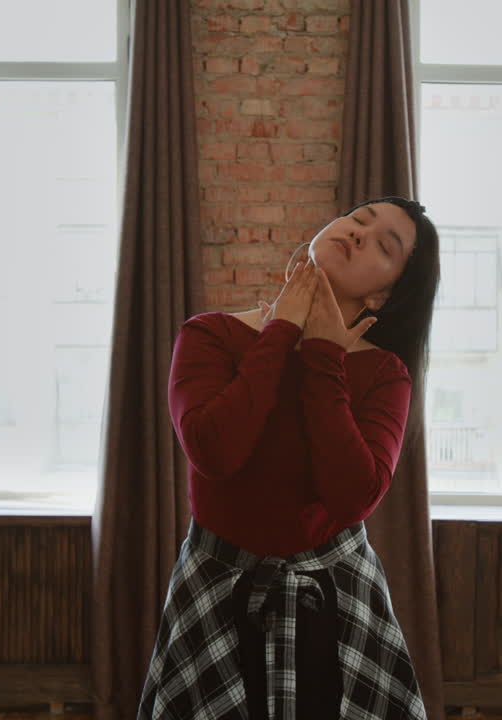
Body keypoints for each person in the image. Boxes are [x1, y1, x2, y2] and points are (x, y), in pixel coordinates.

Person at [136, 196, 441, 720]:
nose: (359, 233)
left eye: (384, 245)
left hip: (335, 598)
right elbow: (215, 451)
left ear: (383, 294)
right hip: (215, 588)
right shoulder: (209, 335)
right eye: (359, 219)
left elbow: (352, 496)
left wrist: (324, 354)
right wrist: (282, 331)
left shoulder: (386, 375)